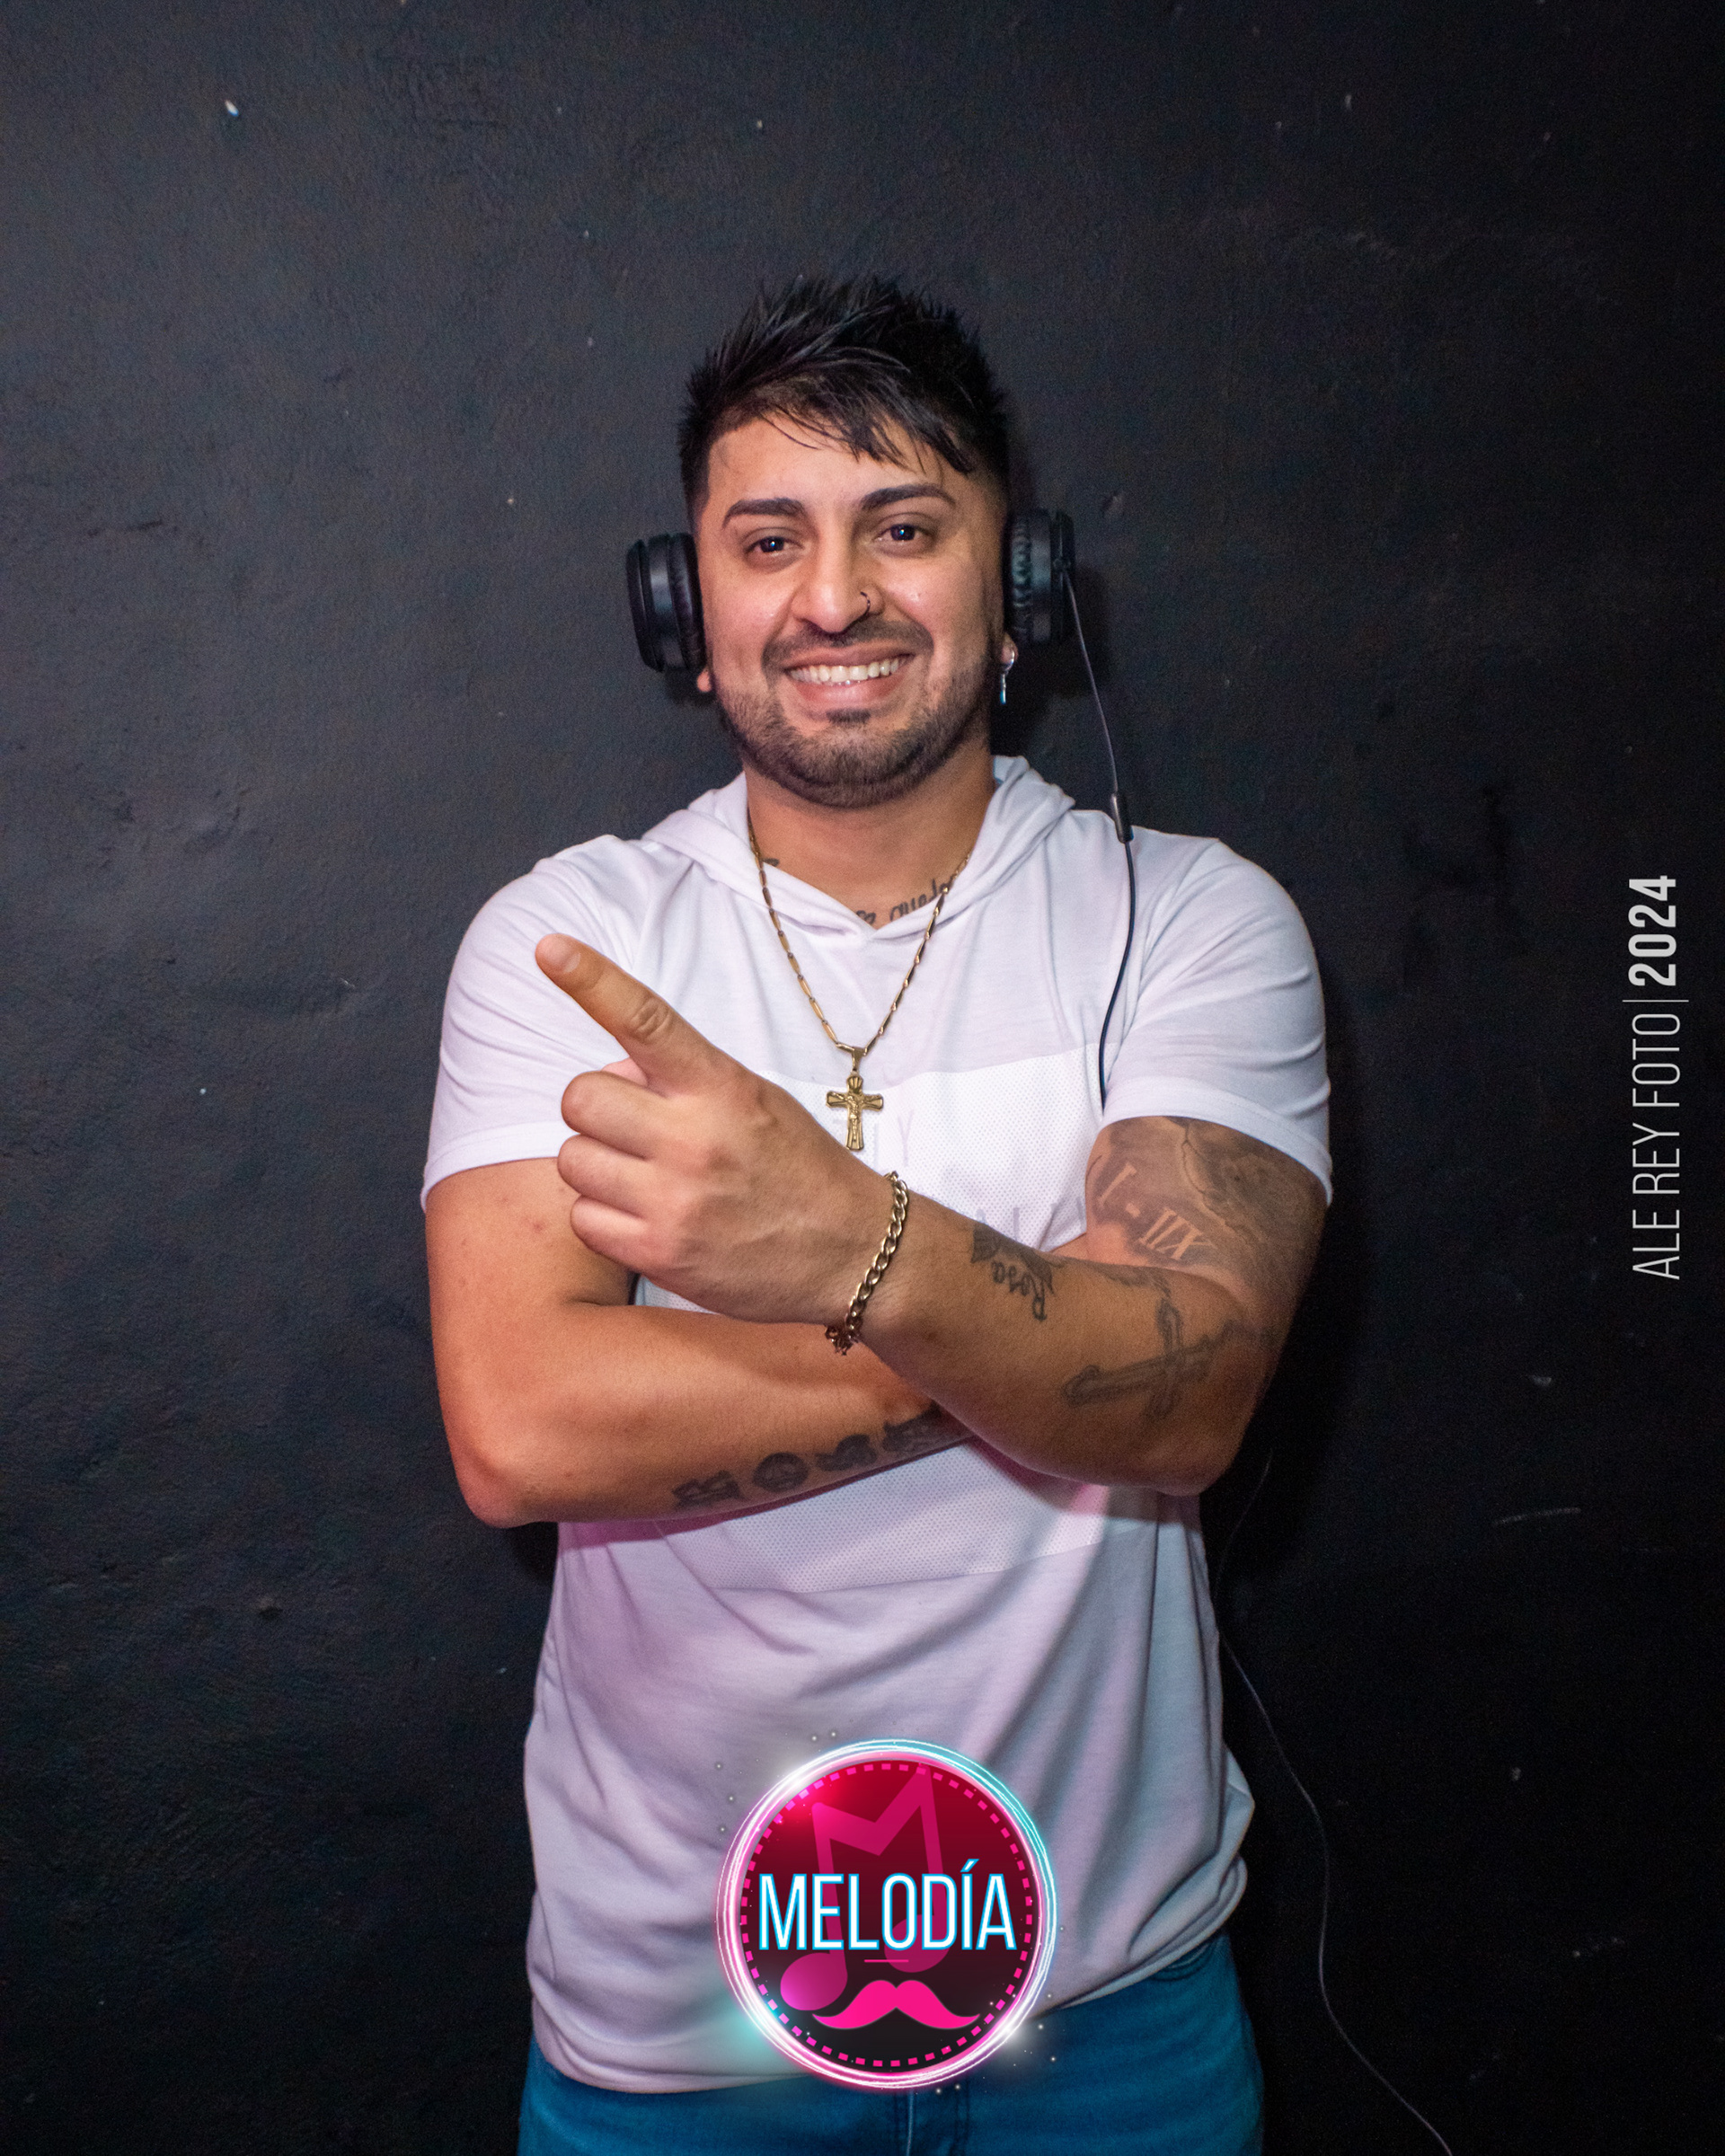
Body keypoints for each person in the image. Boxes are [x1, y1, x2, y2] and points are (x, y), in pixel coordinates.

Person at [423, 275, 1329, 2155]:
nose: (832, 598)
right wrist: (1031, 1330)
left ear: (1022, 584)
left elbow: (1194, 1394)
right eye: (770, 541)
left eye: (902, 528)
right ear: (684, 608)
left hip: (1110, 2007)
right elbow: (524, 1431)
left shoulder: (1190, 923)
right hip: (680, 2020)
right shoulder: (572, 943)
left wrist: (847, 1249)